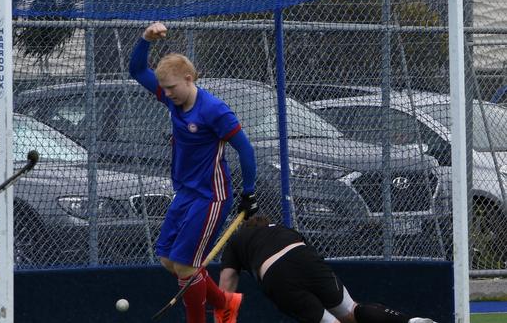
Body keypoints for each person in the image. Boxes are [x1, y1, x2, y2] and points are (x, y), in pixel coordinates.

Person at [129, 22, 259, 323]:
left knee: (186, 267)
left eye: (173, 88)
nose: (168, 93)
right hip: (186, 192)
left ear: (189, 79)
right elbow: (137, 71)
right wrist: (145, 39)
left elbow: (246, 149)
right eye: (165, 89)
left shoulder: (214, 110)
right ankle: (224, 303)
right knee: (168, 259)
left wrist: (248, 192)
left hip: (211, 196)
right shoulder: (171, 99)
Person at [217, 215, 438, 323]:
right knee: (351, 311)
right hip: (304, 256)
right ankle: (411, 322)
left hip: (276, 274)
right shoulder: (283, 229)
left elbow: (227, 280)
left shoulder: (237, 240)